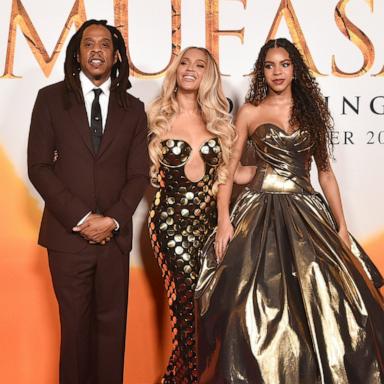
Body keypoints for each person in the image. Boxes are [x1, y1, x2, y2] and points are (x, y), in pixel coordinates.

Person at [195, 38, 384, 384]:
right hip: (258, 213)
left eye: (284, 64)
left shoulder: (311, 112)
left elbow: (325, 174)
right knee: (245, 306)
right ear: (262, 71)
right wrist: (223, 220)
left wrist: (341, 226)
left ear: (295, 69)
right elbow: (229, 169)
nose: (277, 72)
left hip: (306, 212)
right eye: (269, 65)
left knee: (333, 301)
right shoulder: (250, 112)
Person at [27, 19, 149, 384]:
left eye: (104, 45)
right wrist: (82, 219)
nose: (96, 50)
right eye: (88, 44)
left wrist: (111, 220)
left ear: (115, 56)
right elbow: (39, 167)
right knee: (75, 332)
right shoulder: (50, 100)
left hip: (114, 239)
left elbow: (139, 175)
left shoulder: (134, 108)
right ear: (77, 55)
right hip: (67, 239)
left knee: (112, 333)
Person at [147, 46, 235, 383]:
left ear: (207, 75)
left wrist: (276, 172)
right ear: (176, 69)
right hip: (170, 225)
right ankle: (183, 379)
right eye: (184, 62)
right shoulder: (157, 116)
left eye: (199, 65)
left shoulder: (219, 120)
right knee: (184, 303)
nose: (190, 69)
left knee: (207, 308)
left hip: (211, 226)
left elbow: (231, 174)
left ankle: (184, 376)